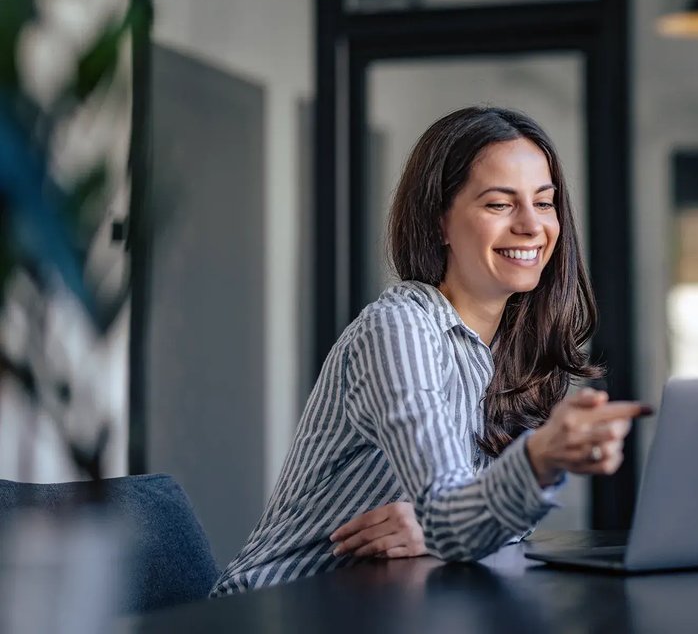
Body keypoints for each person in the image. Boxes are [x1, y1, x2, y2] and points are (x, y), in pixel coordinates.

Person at [212, 106, 647, 595]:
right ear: (440, 222)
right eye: (500, 204)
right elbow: (455, 519)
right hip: (275, 610)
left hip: (385, 606)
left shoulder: (512, 348)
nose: (531, 225)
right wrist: (532, 464)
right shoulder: (398, 329)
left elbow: (467, 526)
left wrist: (435, 528)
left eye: (543, 203)